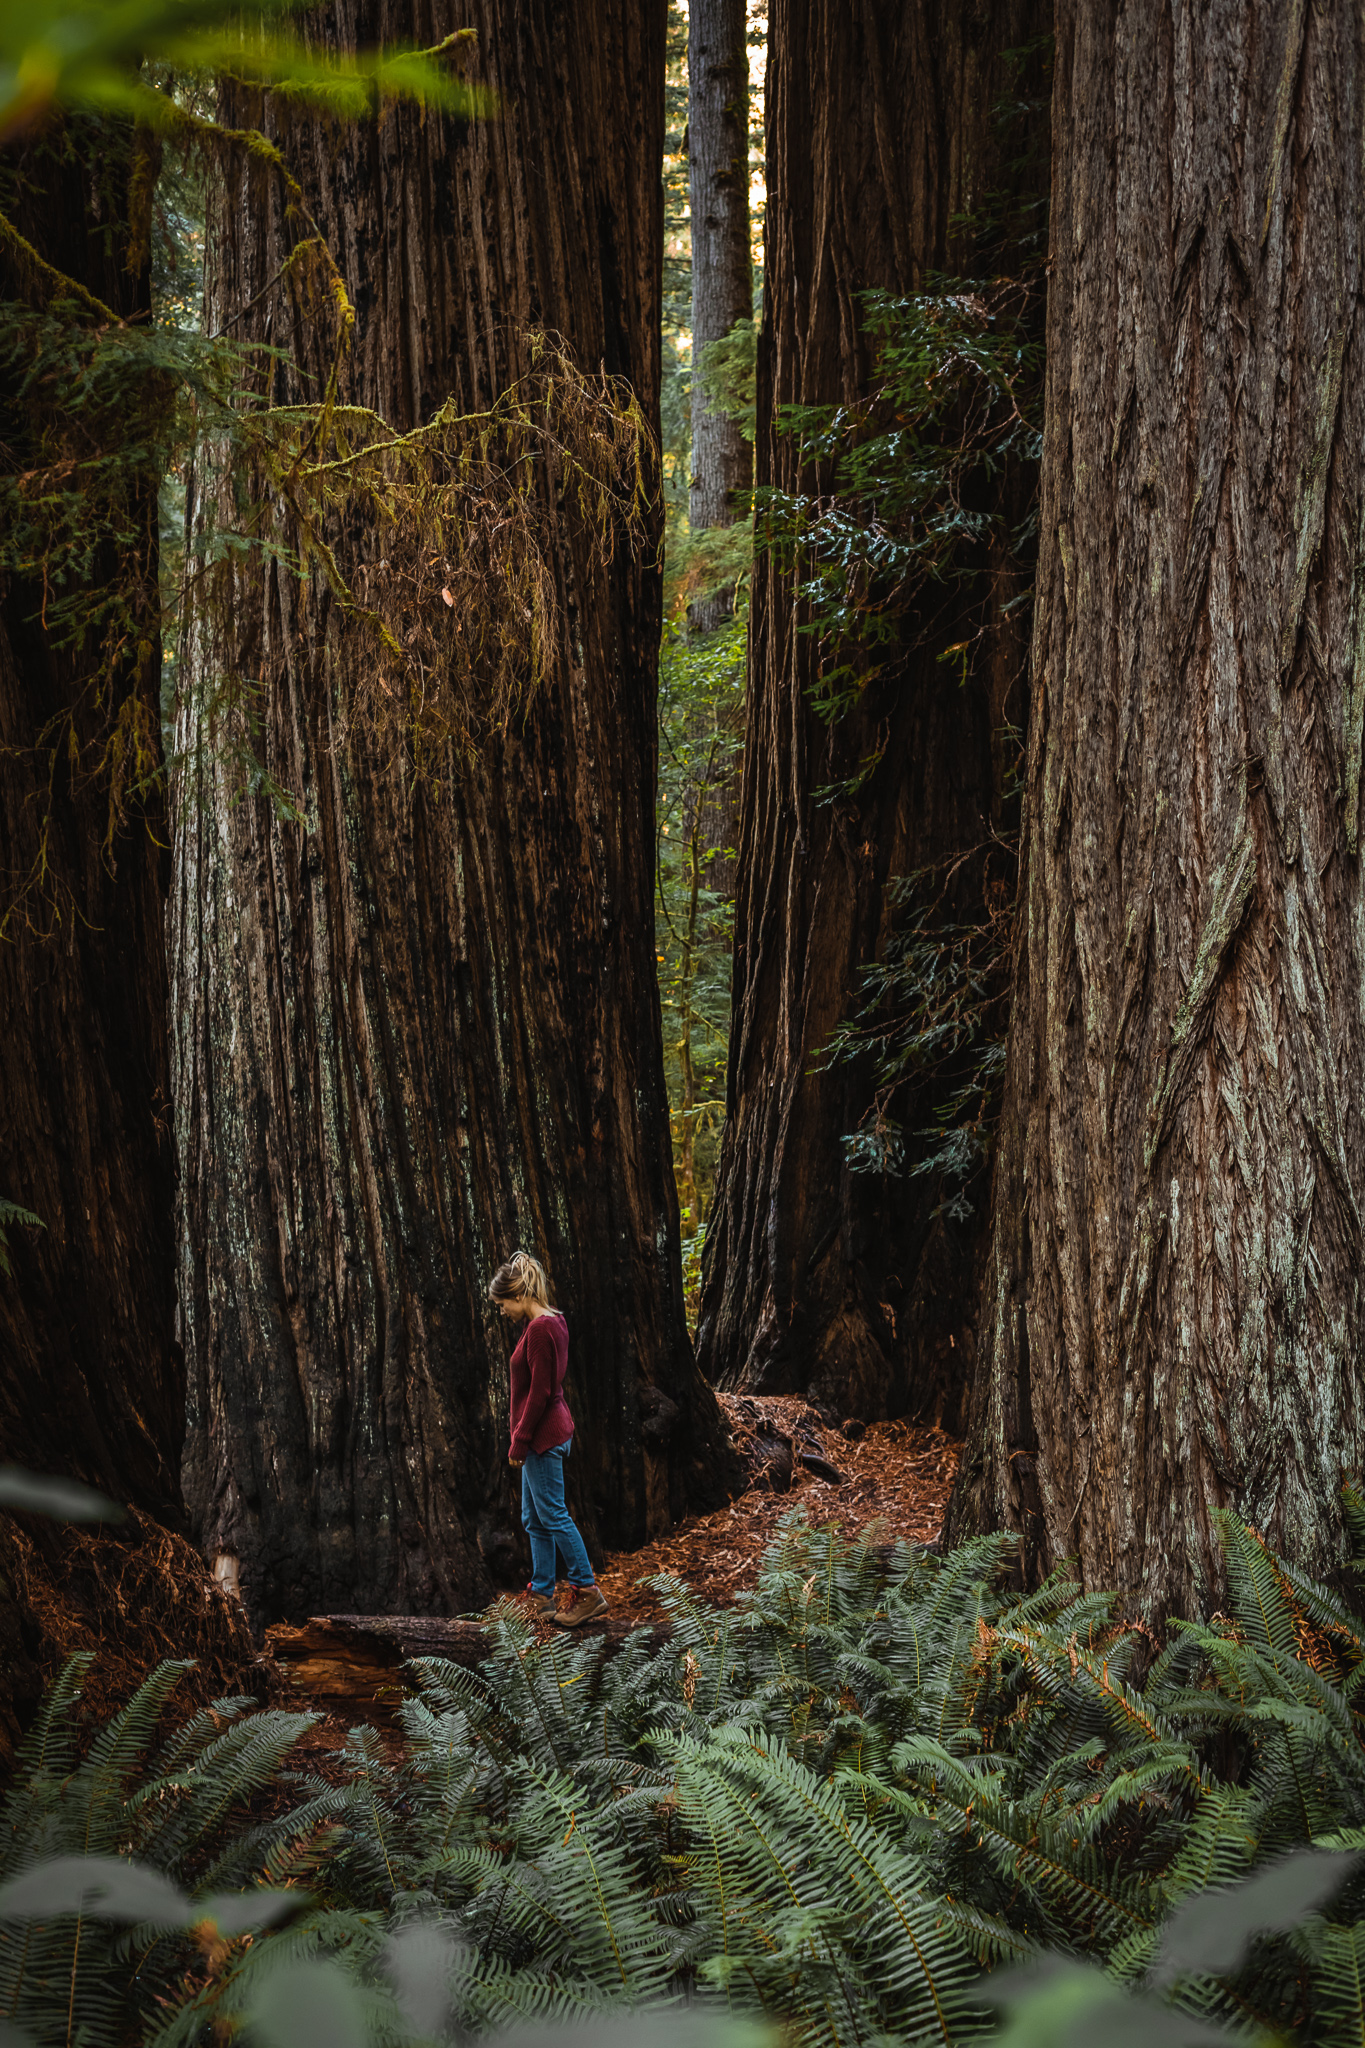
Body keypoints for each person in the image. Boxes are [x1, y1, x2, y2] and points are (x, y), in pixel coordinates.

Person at [488, 1250, 607, 1627]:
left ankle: (586, 1590)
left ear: (520, 1296)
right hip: (546, 1432)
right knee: (533, 1518)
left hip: (542, 1437)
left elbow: (540, 1392)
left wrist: (519, 1440)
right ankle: (541, 1594)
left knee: (552, 1513)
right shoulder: (552, 1320)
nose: (502, 1310)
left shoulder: (539, 1330)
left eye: (503, 1302)